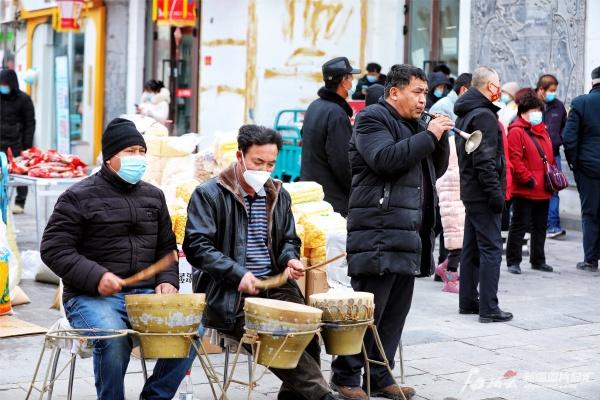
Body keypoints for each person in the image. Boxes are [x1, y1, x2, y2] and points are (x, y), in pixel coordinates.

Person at [40, 118, 192, 400]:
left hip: (144, 294)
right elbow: (53, 249)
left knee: (191, 328)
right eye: (129, 151)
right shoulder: (77, 197)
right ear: (110, 157)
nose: (138, 158)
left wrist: (167, 280)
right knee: (114, 337)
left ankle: (156, 396)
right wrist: (97, 276)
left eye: (140, 151)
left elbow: (166, 248)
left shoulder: (154, 196)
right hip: (90, 297)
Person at [183, 125, 337, 400]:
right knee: (273, 334)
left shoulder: (278, 193)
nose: (265, 169)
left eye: (270, 163)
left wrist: (289, 259)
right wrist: (236, 273)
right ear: (240, 155)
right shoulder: (209, 194)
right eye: (258, 162)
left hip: (274, 283)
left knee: (307, 331)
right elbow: (197, 247)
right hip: (230, 292)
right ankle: (323, 396)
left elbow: (289, 239)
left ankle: (296, 395)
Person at [330, 64, 451, 400]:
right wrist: (429, 136)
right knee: (366, 311)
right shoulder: (372, 119)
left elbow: (434, 169)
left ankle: (379, 374)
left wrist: (437, 138)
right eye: (417, 92)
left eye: (425, 93)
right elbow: (385, 159)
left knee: (395, 313)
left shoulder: (416, 124)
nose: (423, 99)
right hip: (379, 230)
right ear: (394, 91)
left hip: (409, 231)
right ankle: (346, 376)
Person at [454, 66, 513, 323]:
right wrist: (496, 195)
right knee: (491, 249)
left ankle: (468, 301)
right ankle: (489, 307)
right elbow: (485, 162)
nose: (499, 89)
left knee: (471, 247)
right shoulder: (485, 116)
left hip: (470, 190)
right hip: (482, 191)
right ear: (489, 86)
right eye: (497, 84)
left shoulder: (467, 113)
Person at [301, 56, 361, 216]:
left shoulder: (315, 106)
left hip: (311, 190)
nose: (353, 83)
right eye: (351, 78)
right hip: (331, 199)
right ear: (343, 81)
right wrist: (356, 189)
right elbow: (342, 160)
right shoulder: (336, 113)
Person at [431, 73, 472, 293]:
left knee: (453, 233)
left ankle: (445, 269)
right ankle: (449, 276)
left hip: (453, 189)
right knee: (454, 234)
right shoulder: (445, 108)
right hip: (451, 189)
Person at [505, 91, 555, 274]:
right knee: (519, 225)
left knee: (540, 226)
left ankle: (538, 260)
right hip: (526, 187)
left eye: (538, 110)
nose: (537, 114)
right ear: (524, 112)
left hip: (543, 187)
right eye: (534, 110)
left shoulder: (543, 130)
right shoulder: (516, 131)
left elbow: (549, 156)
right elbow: (515, 159)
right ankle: (513, 261)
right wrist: (527, 178)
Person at [563, 66, 600, 272]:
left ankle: (591, 259)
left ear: (593, 81)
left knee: (590, 213)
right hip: (588, 165)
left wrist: (574, 163)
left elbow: (569, 139)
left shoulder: (580, 103)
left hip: (588, 168)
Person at [535, 74, 567, 239]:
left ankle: (552, 226)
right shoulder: (531, 104)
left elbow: (565, 127)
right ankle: (535, 225)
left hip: (554, 155)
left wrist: (559, 140)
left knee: (555, 189)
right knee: (535, 188)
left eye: (555, 91)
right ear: (541, 89)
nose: (553, 93)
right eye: (551, 91)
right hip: (535, 155)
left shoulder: (559, 106)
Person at [0, 69, 35, 214]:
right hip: (0, 143)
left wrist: (27, 145)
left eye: (5, 84)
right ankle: (3, 201)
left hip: (17, 144)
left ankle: (20, 203)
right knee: (1, 174)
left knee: (20, 175)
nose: (3, 86)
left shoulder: (24, 99)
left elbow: (30, 123)